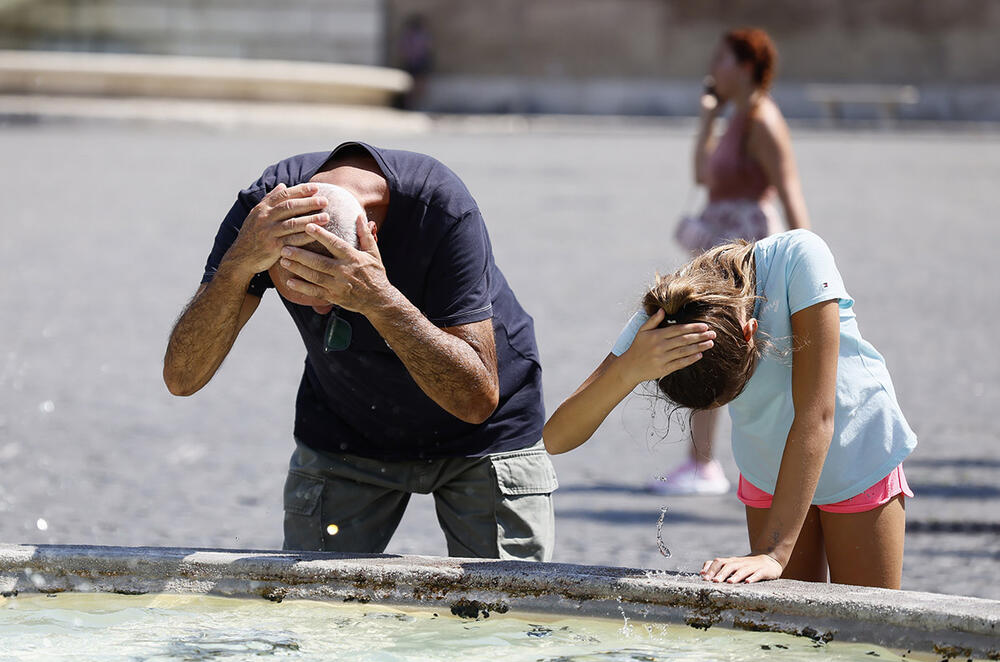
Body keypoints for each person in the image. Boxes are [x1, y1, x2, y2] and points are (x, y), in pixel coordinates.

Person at [163, 142, 557, 561]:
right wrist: (237, 265)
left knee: (507, 616)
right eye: (296, 287)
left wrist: (378, 299)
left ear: (372, 236)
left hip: (486, 432)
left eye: (330, 291)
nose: (319, 310)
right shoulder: (261, 219)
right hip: (348, 428)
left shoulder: (441, 208)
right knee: (311, 613)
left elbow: (476, 400)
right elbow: (182, 377)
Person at [543, 230, 916, 588]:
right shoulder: (668, 314)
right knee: (791, 646)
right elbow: (557, 438)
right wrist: (628, 368)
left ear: (750, 331)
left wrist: (774, 552)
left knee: (867, 645)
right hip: (768, 469)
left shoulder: (800, 257)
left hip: (855, 455)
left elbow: (815, 415)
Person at [663, 27, 812, 496]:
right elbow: (704, 175)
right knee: (711, 341)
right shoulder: (736, 116)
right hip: (721, 246)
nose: (712, 70)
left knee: (720, 344)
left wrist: (809, 263)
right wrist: (707, 121)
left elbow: (789, 191)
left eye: (721, 60)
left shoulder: (763, 119)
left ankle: (711, 463)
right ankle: (702, 461)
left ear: (746, 67)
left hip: (746, 249)